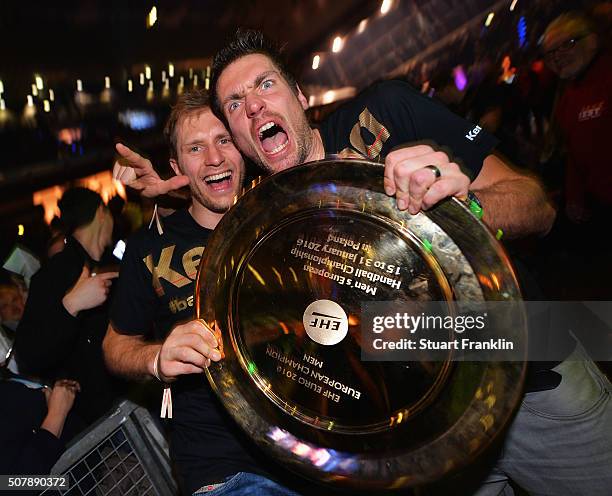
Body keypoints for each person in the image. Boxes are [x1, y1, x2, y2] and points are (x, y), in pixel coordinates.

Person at [103, 89, 303, 496]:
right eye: (196, 148)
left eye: (224, 140)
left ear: (242, 148)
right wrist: (157, 359)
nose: (214, 158)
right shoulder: (149, 249)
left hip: (317, 446)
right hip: (227, 470)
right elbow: (114, 345)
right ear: (177, 166)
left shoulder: (286, 214)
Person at [13, 187, 122, 431]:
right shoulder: (55, 274)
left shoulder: (115, 265)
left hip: (127, 404)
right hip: (94, 426)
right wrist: (70, 306)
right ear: (102, 212)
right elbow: (28, 355)